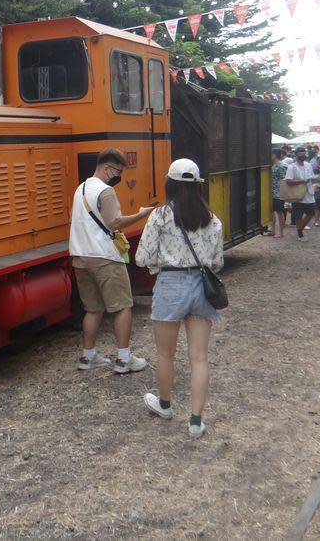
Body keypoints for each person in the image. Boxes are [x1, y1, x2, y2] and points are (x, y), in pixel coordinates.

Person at [136, 159, 224, 440]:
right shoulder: (213, 219)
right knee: (199, 358)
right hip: (201, 287)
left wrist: (158, 265)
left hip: (170, 286)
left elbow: (142, 258)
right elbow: (217, 262)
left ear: (169, 183)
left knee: (165, 354)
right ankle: (196, 421)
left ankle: (164, 405)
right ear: (198, 186)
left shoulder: (160, 216)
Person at [69, 148, 155, 373]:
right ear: (107, 168)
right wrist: (141, 214)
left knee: (93, 308)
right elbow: (114, 222)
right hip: (104, 257)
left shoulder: (81, 188)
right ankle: (124, 359)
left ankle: (88, 357)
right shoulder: (105, 191)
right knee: (123, 306)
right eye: (117, 171)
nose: (118, 176)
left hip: (80, 256)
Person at [285, 146, 317, 239]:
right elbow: (288, 180)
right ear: (296, 155)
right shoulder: (292, 167)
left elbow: (311, 177)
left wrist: (314, 181)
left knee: (311, 213)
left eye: (304, 153)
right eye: (301, 154)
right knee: (298, 215)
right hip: (297, 194)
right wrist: (302, 181)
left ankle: (300, 229)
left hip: (309, 193)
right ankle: (300, 234)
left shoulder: (308, 165)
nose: (303, 155)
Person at [269, 148, 288, 237]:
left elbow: (283, 180)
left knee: (279, 212)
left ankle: (281, 232)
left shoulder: (281, 166)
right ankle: (272, 230)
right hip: (272, 192)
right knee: (272, 211)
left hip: (278, 193)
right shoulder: (273, 165)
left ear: (274, 155)